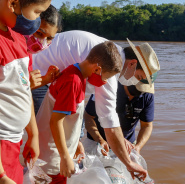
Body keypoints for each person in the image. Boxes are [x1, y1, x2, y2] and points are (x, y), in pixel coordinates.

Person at [32, 30, 152, 179]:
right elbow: (109, 122)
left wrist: (76, 143)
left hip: (49, 80)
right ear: (132, 63)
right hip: (35, 74)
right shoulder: (98, 70)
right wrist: (128, 163)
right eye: (139, 77)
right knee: (45, 156)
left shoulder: (103, 56)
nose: (106, 81)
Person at [36, 41, 122, 183]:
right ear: (97, 69)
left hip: (55, 152)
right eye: (105, 77)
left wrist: (76, 143)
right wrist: (64, 157)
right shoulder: (73, 82)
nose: (105, 82)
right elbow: (55, 121)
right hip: (52, 158)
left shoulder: (75, 73)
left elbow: (68, 119)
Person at [0, 0, 52, 183]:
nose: (37, 19)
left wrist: (33, 134)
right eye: (37, 12)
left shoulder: (18, 37)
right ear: (13, 3)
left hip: (15, 143)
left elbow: (24, 89)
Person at [84, 42, 159, 156]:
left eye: (142, 89)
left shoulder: (147, 96)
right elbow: (88, 116)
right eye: (137, 82)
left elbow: (147, 125)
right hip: (97, 141)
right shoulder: (110, 86)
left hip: (128, 145)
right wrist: (100, 140)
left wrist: (137, 147)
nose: (139, 91)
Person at [26, 4, 63, 114]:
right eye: (39, 33)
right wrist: (25, 85)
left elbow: (25, 87)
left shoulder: (27, 54)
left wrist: (46, 79)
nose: (42, 42)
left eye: (49, 38)